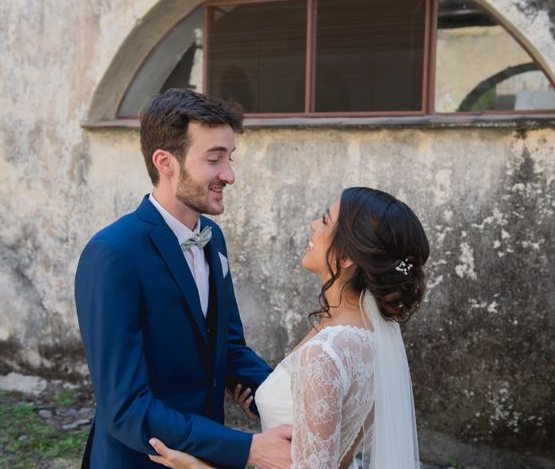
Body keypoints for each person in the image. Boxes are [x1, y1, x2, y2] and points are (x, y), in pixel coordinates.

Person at [74, 89, 292, 469]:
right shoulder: (113, 254)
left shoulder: (213, 238)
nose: (229, 175)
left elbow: (228, 347)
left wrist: (286, 400)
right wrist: (247, 449)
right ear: (165, 162)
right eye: (214, 159)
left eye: (230, 158)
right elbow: (126, 408)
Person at [148, 187, 430, 469]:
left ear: (346, 258)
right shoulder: (370, 337)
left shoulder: (324, 353)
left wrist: (196, 467)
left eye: (325, 221)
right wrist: (271, 399)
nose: (313, 225)